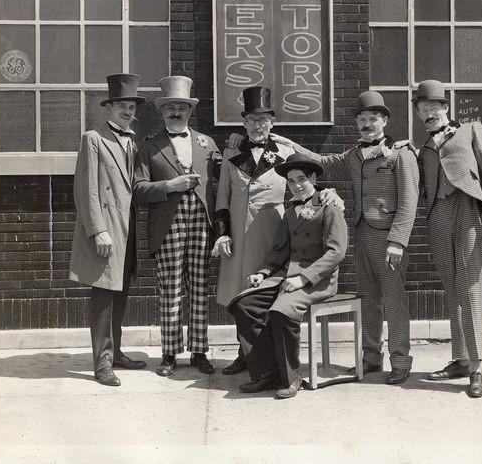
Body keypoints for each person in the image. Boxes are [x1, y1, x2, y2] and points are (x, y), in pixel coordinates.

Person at [265, 90, 419, 385]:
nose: (366, 124)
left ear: (384, 121)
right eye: (362, 119)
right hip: (362, 234)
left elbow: (410, 200)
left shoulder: (401, 154)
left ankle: (400, 360)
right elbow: (322, 160)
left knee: (394, 300)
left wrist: (398, 240)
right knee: (369, 298)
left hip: (389, 239)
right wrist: (288, 144)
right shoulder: (354, 155)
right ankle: (371, 358)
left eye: (372, 119)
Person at [213, 86, 342, 376]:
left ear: (272, 122)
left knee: (263, 292)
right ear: (244, 123)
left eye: (263, 120)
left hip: (272, 234)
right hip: (237, 234)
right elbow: (222, 195)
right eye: (252, 120)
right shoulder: (232, 151)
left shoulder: (284, 152)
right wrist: (222, 232)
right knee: (238, 295)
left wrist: (328, 193)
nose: (258, 126)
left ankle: (266, 357)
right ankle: (243, 354)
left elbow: (305, 180)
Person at [414, 79, 482, 399]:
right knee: (451, 289)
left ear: (445, 108)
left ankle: (477, 367)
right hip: (438, 214)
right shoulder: (423, 148)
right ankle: (460, 359)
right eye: (422, 110)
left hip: (467, 208)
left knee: (469, 287)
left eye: (433, 108)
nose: (428, 114)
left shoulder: (471, 130)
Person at [229, 153, 348, 399]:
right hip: (287, 275)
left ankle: (291, 377)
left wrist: (303, 278)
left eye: (301, 179)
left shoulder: (330, 207)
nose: (296, 185)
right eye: (291, 181)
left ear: (313, 178)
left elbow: (336, 252)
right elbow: (279, 250)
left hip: (318, 280)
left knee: (281, 312)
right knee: (245, 304)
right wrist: (263, 273)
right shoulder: (292, 210)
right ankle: (266, 372)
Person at [133, 76, 221, 376]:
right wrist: (170, 185)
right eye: (170, 107)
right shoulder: (148, 146)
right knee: (169, 289)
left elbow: (224, 178)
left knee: (199, 286)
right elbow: (138, 188)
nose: (176, 112)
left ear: (189, 111)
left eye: (181, 107)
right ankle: (169, 353)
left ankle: (199, 351)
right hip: (166, 222)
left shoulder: (207, 143)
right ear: (162, 111)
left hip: (200, 221)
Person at [69, 73, 147, 387]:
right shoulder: (93, 138)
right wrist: (97, 230)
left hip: (127, 230)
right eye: (122, 106)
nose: (128, 112)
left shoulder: (132, 141)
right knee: (103, 295)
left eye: (132, 107)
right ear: (109, 108)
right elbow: (85, 189)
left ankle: (115, 353)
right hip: (107, 229)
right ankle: (102, 363)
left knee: (121, 292)